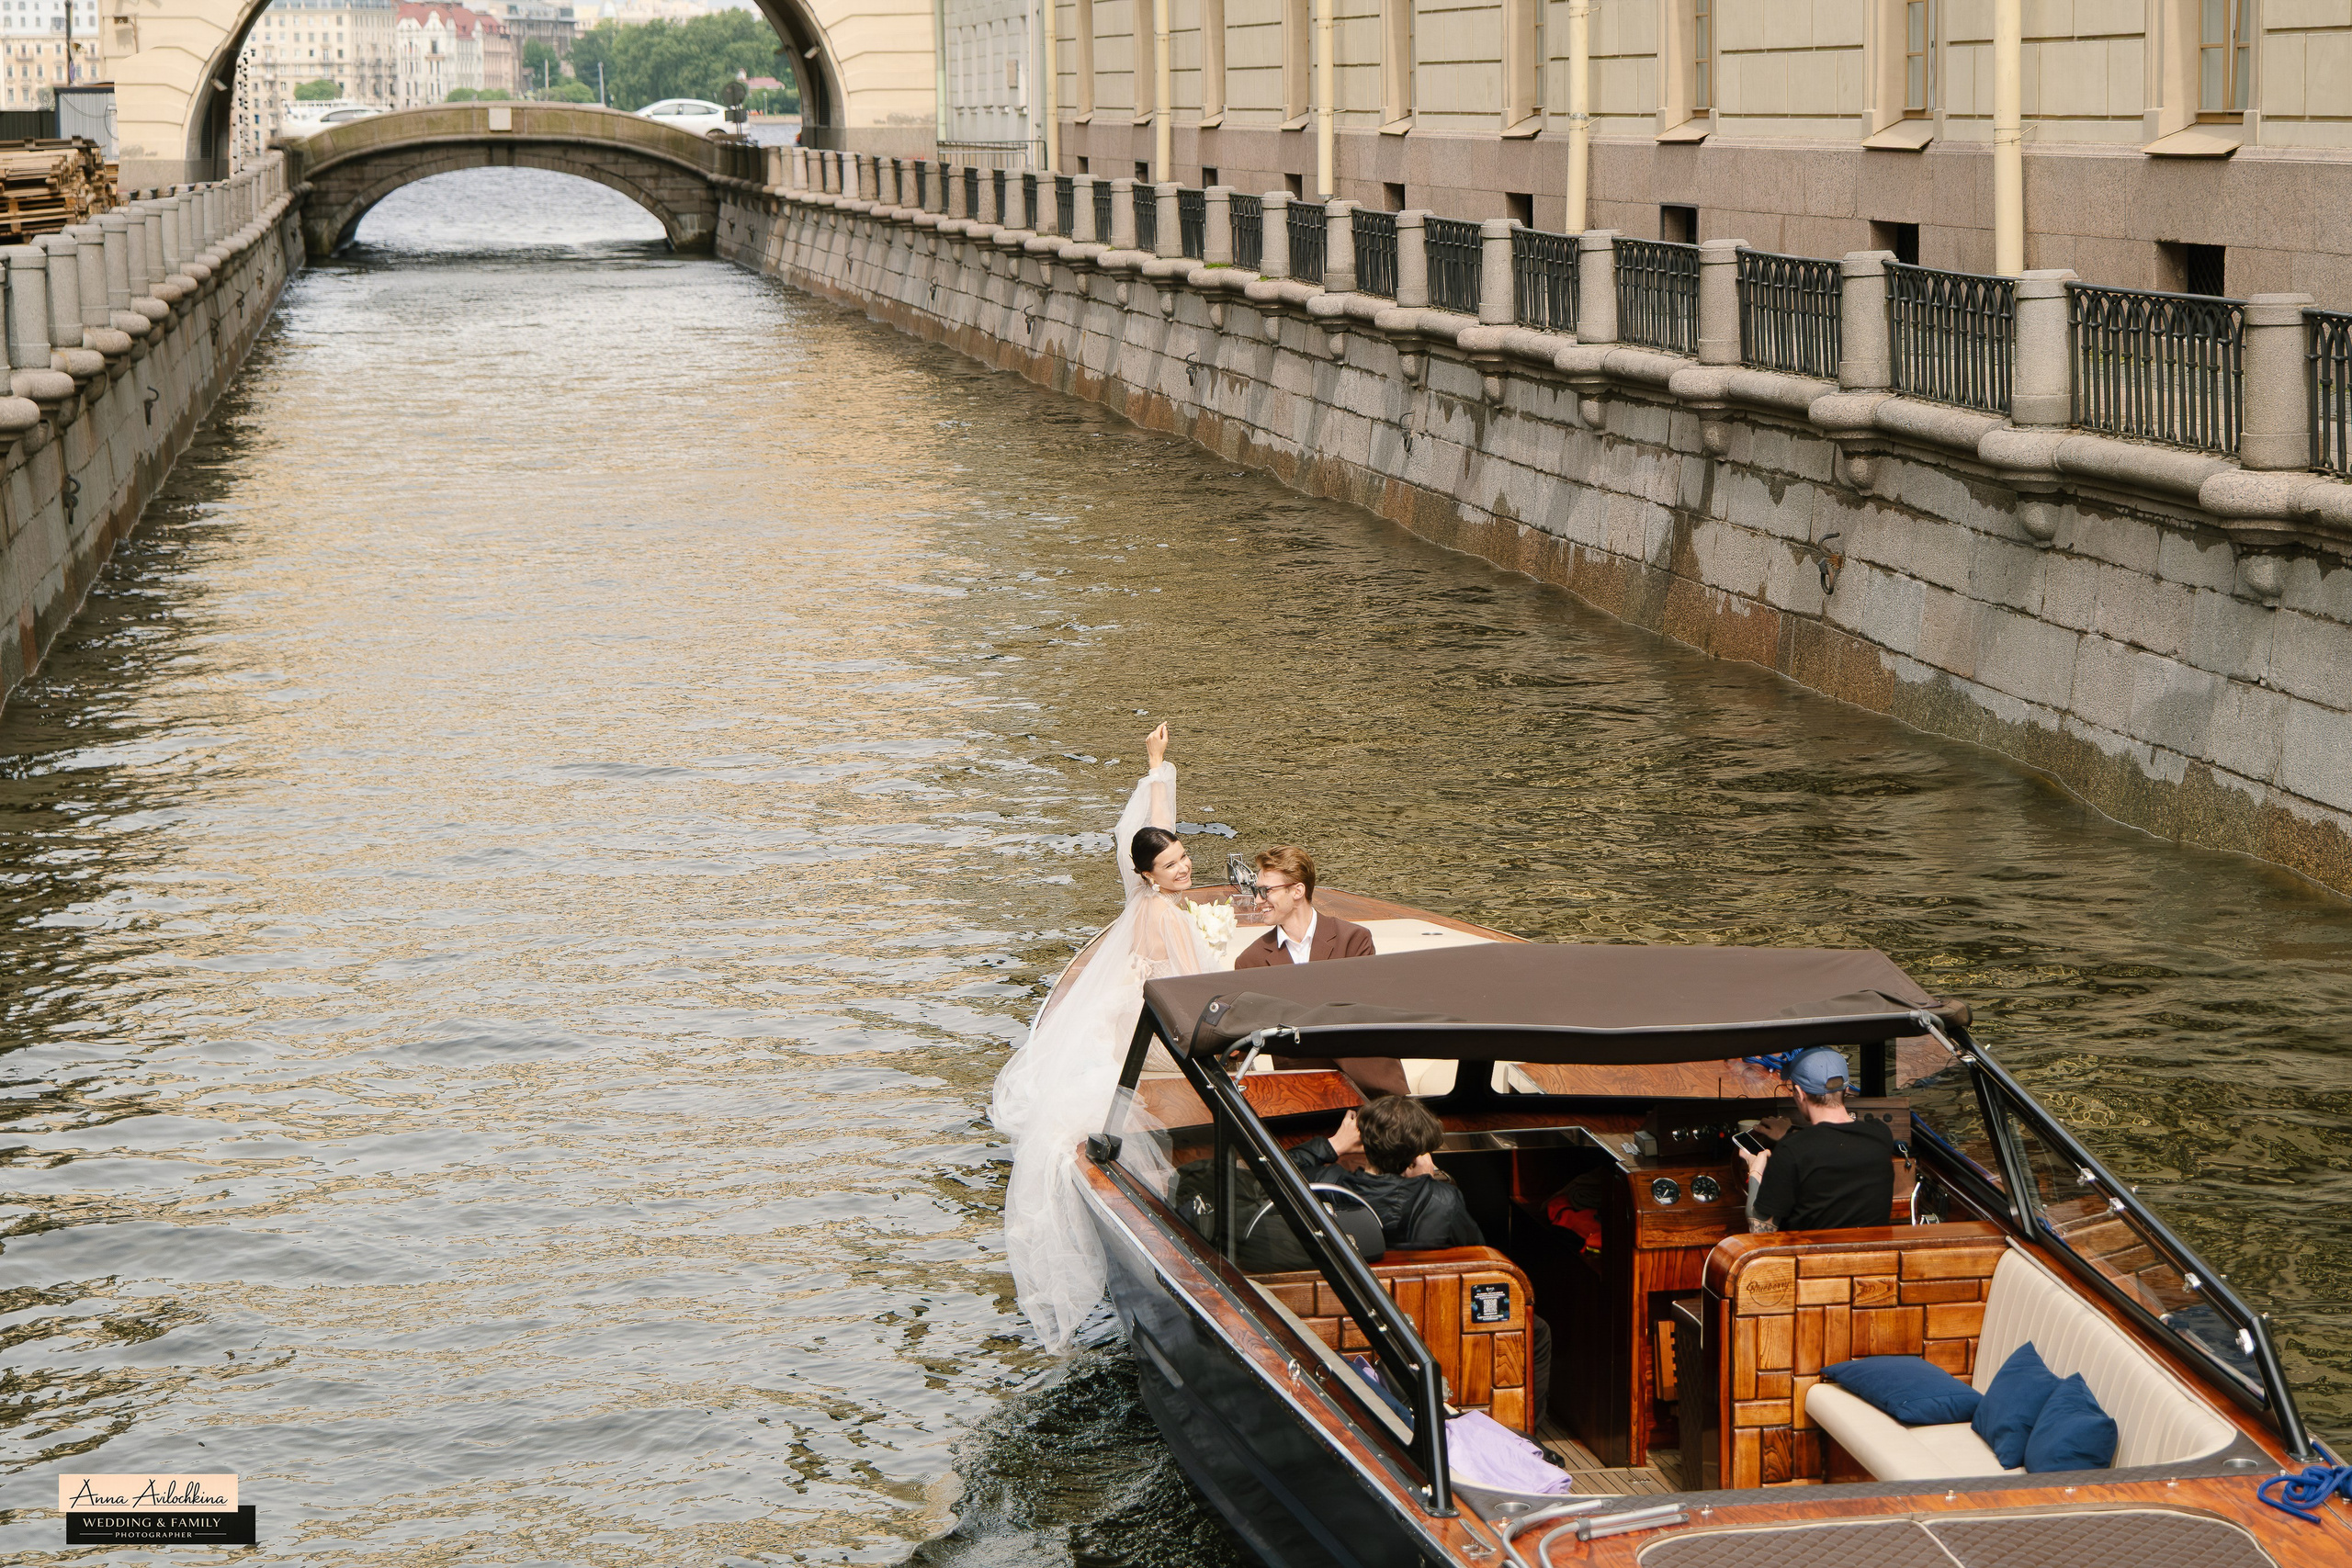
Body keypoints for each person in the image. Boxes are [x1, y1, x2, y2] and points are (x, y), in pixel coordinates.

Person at [989, 722, 1219, 1350]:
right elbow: (1197, 987)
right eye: (1172, 863)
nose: (1183, 865)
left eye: (1183, 856)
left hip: (1115, 1014)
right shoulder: (1167, 919)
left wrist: (1157, 766)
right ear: (1150, 875)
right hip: (1142, 1026)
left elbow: (1144, 834)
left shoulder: (1141, 897)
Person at [1235, 845, 1408, 1098]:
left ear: (1297, 891)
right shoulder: (1251, 961)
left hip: (1373, 1087)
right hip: (1302, 1091)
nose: (1258, 899)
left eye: (1265, 891)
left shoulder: (1354, 939)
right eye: (1255, 890)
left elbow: (1360, 1017)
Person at [1283, 1095, 1483, 1250]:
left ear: (1364, 1141)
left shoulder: (1329, 1185)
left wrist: (1335, 1145)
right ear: (1417, 1153)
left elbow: (1277, 1170)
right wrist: (1425, 1185)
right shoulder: (1443, 1199)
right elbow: (1476, 1253)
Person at [1737, 1047, 1896, 1234]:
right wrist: (1790, 1133)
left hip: (1813, 1262)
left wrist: (1755, 1169)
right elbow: (1832, 1144)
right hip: (1874, 1259)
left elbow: (1761, 1232)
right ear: (1846, 1089)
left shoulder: (1790, 1151)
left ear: (1799, 1093)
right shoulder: (1881, 1135)